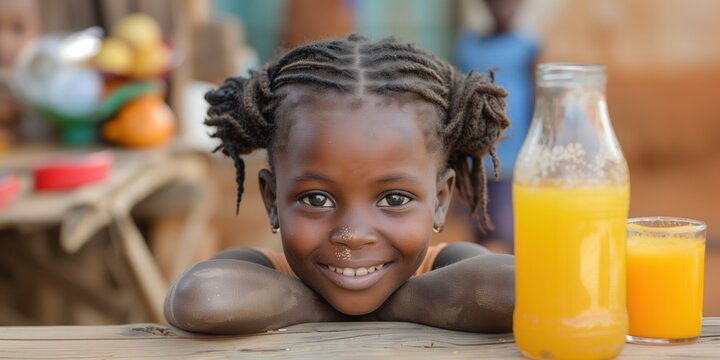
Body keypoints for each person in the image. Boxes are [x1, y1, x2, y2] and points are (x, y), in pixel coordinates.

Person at [164, 34, 514, 335]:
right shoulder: (264, 270)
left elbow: (516, 289)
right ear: (272, 198)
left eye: (394, 199)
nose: (353, 234)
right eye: (317, 199)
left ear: (439, 200)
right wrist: (355, 310)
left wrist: (381, 305)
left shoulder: (443, 265)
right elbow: (199, 299)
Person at [455, 0, 539, 251]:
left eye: (510, 3)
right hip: (475, 152)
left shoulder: (528, 46)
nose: (504, 8)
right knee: (477, 221)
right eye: (498, 3)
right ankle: (478, 279)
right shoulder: (468, 46)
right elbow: (459, 93)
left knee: (508, 227)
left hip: (512, 153)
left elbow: (536, 98)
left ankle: (512, 279)